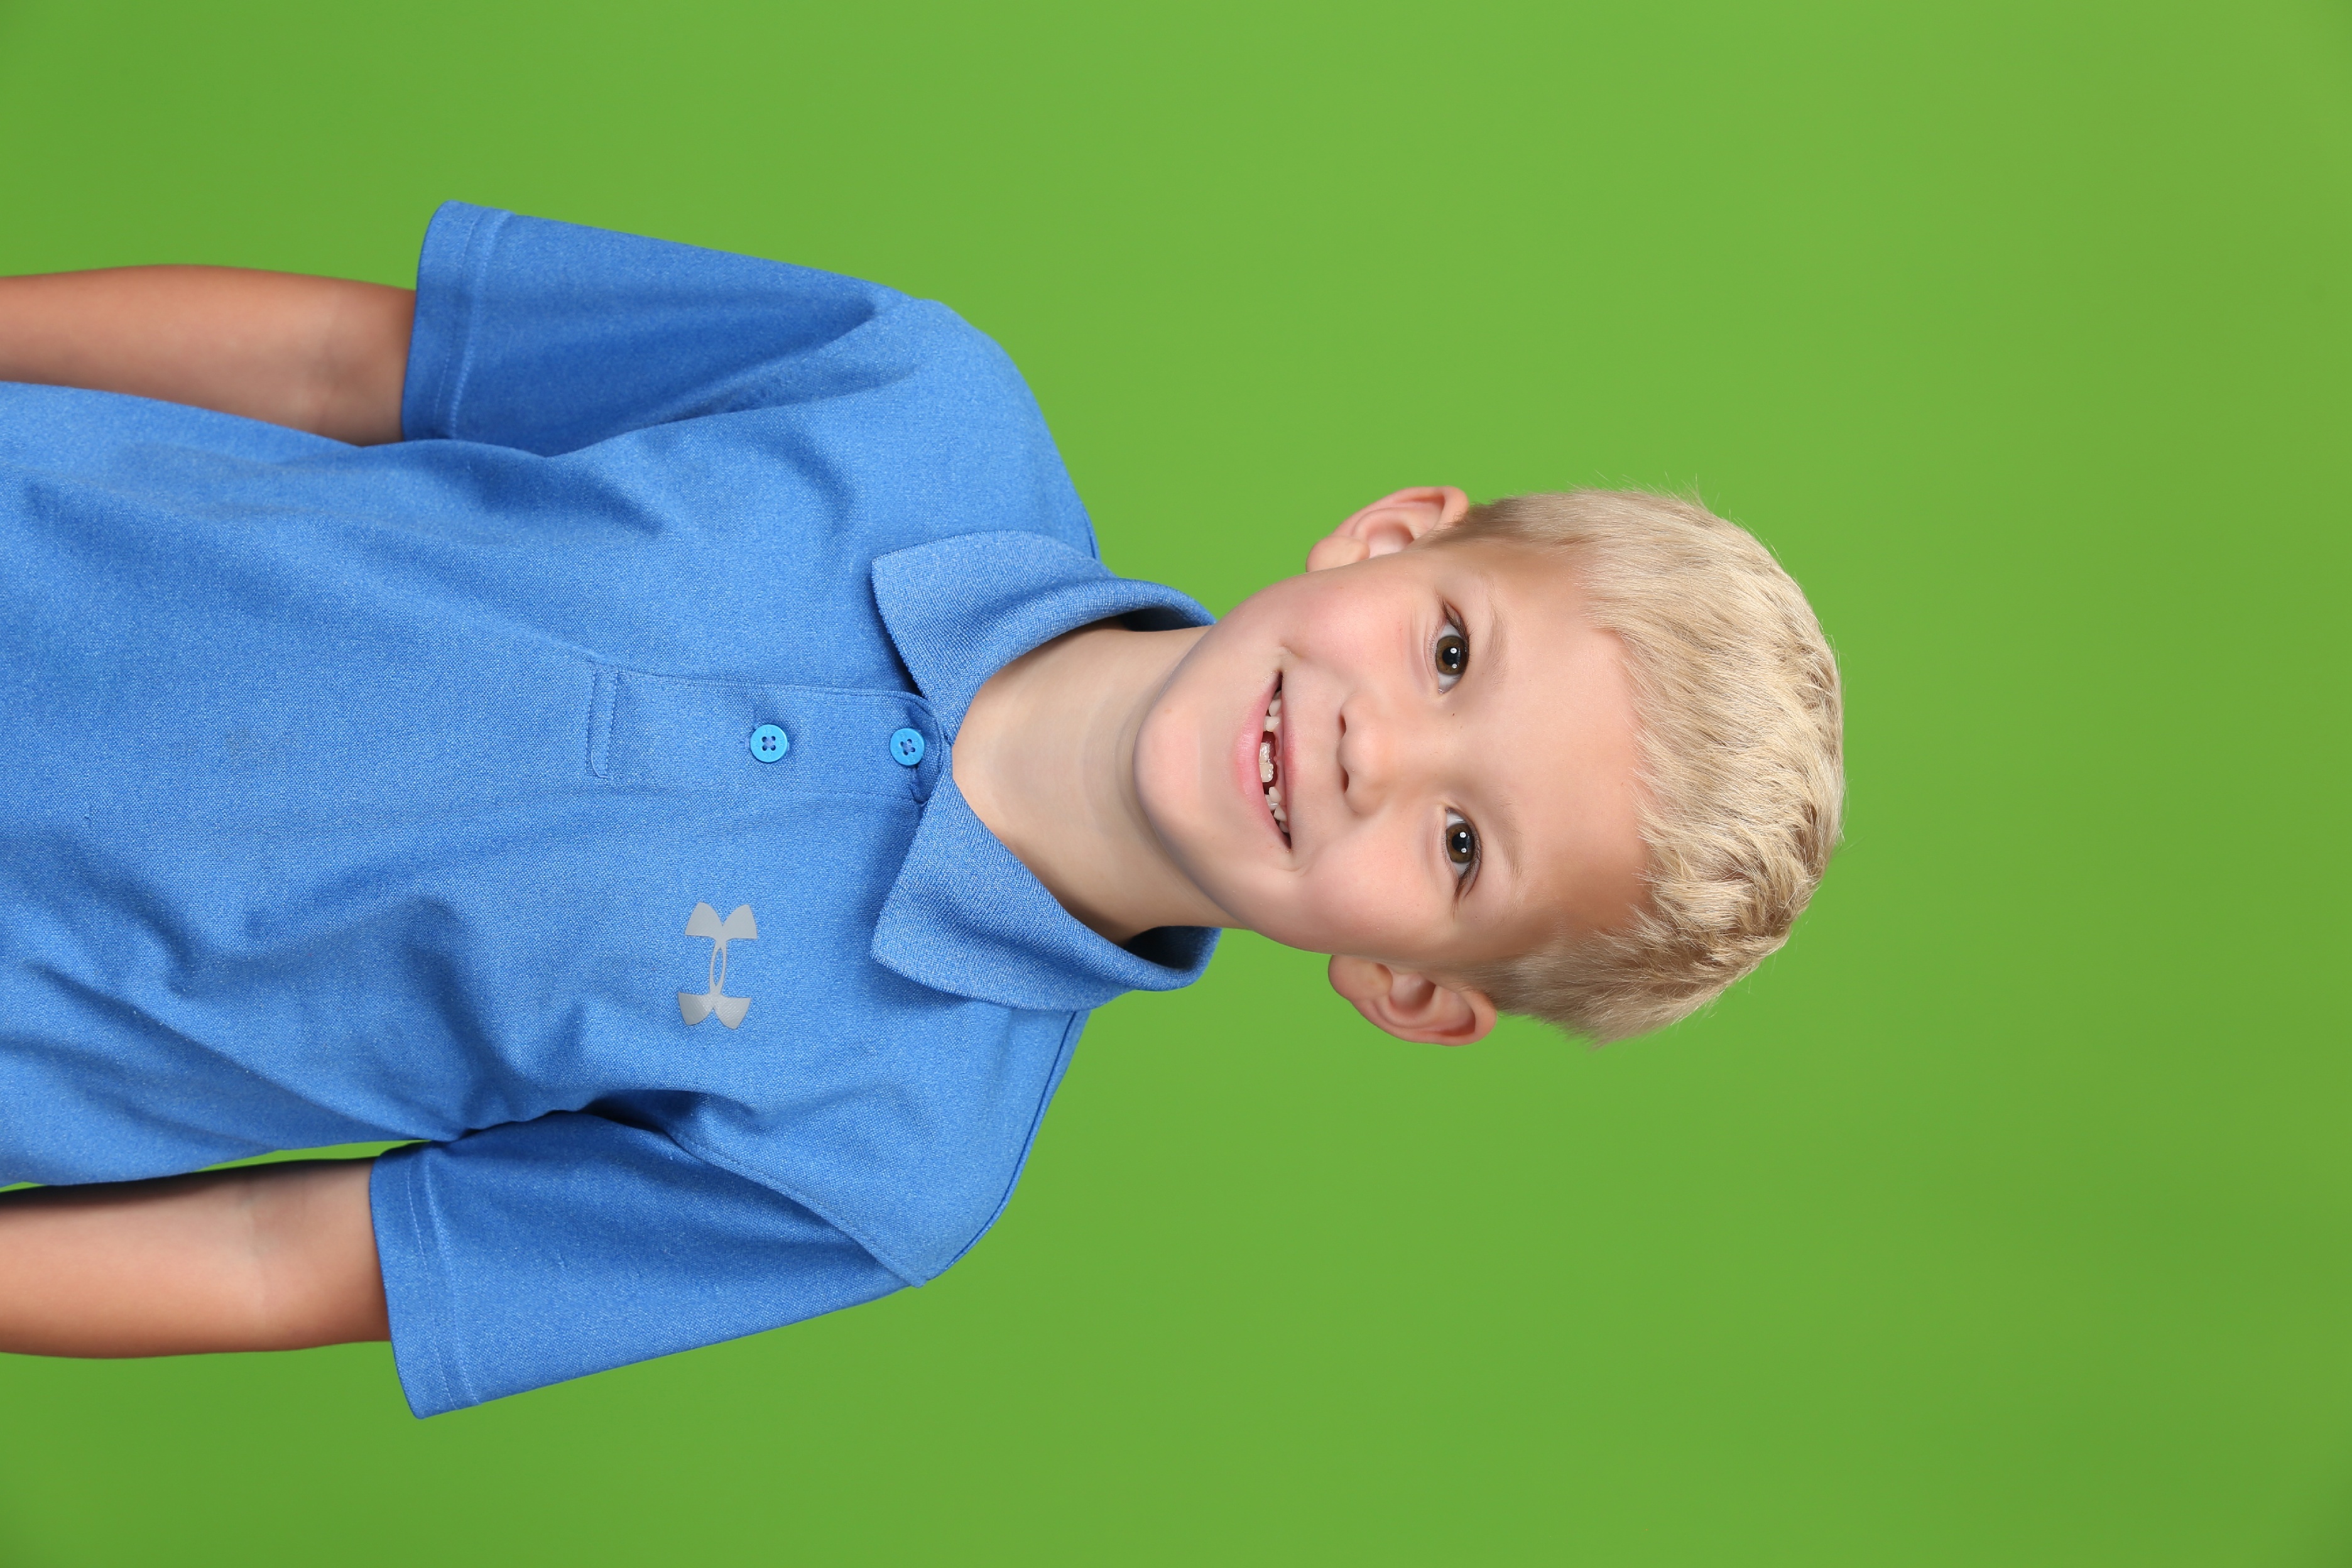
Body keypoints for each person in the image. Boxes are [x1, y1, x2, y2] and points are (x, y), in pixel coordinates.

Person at [0, 204, 1843, 1416]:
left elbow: (283, 1256)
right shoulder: (913, 394)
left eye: (1460, 847)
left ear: (1409, 986)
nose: (1381, 751)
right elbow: (353, 366)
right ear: (1395, 535)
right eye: (1450, 654)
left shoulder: (888, 1170)